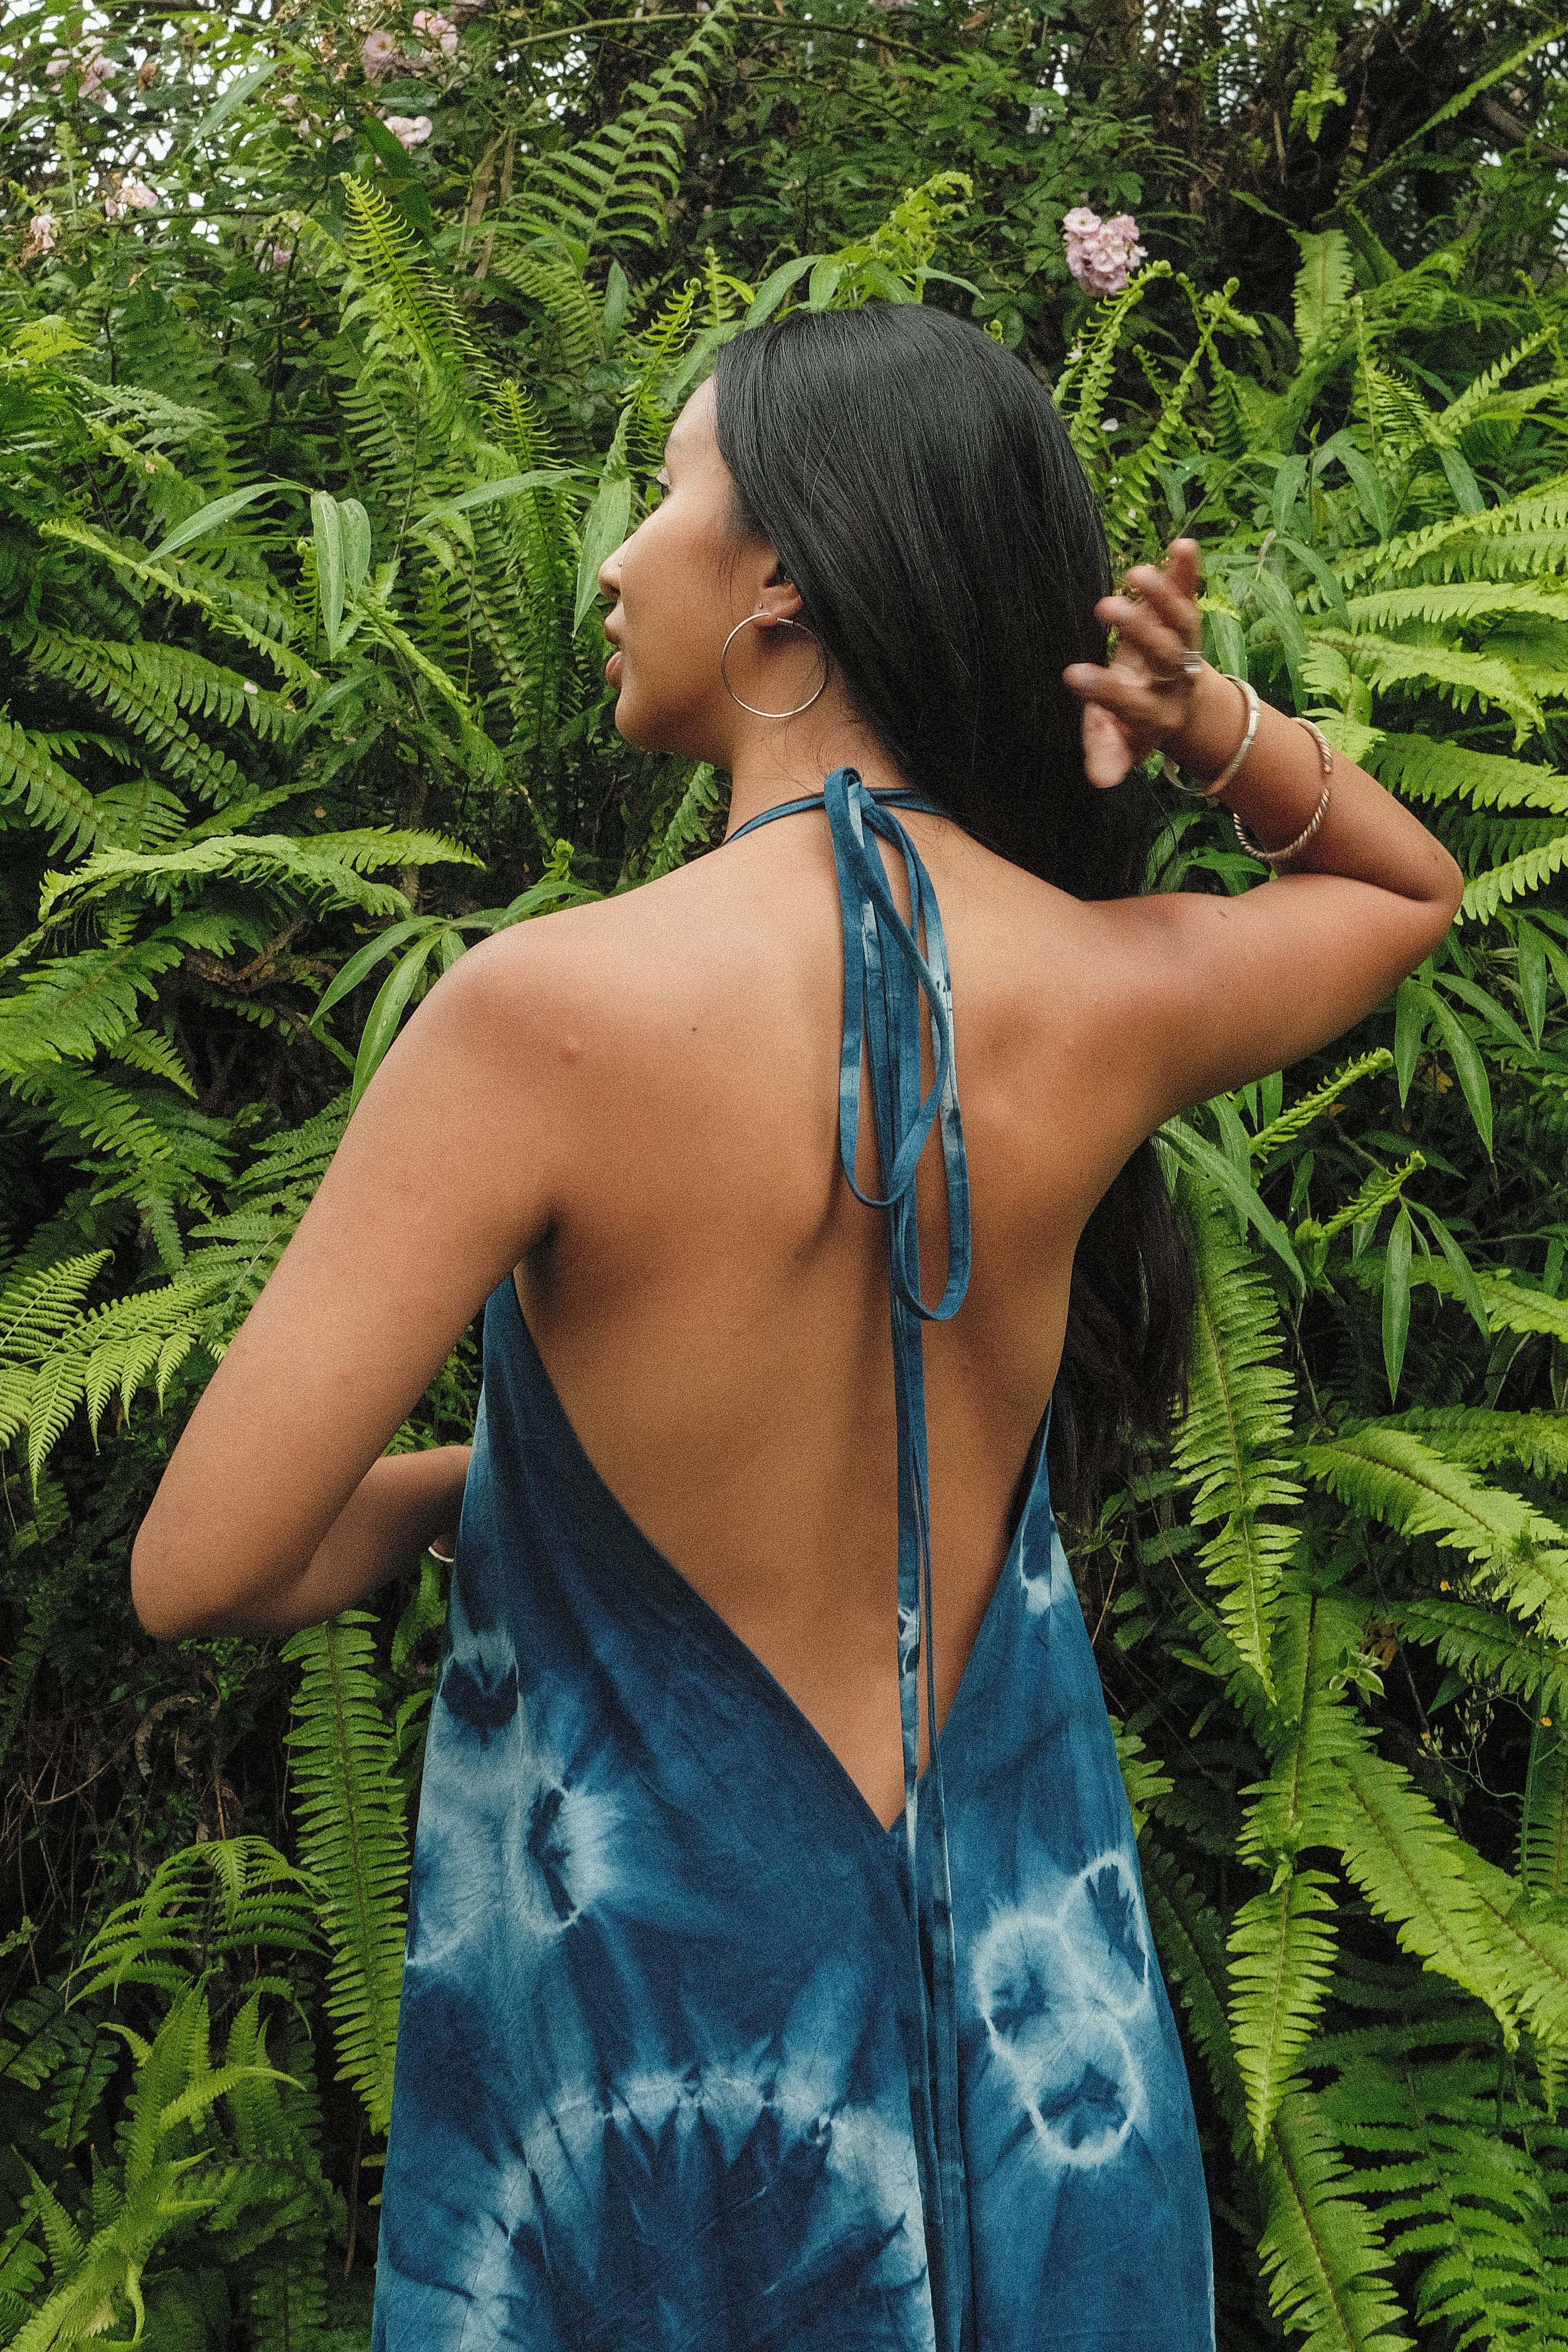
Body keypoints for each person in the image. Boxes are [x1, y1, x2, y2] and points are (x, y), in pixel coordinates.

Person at [131, 302, 1463, 2352]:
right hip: (1028, 2005)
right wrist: (1201, 725)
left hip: (668, 2048)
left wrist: (531, 1493)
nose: (612, 557)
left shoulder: (541, 1013)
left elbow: (204, 1567)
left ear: (779, 582)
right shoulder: (1103, 992)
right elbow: (1399, 896)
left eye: (661, 494)